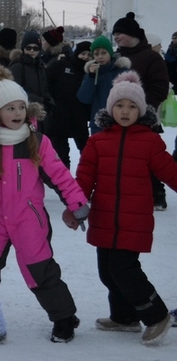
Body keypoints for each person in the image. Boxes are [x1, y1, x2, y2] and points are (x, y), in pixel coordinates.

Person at [0, 64, 88, 343]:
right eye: (9, 108)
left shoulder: (36, 141)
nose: (17, 114)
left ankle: (64, 317)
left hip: (29, 217)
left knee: (39, 269)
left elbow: (59, 175)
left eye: (20, 108)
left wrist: (77, 203)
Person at [68, 71, 177, 345]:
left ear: (140, 111)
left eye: (131, 106)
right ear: (110, 108)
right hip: (105, 218)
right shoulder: (97, 141)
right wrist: (75, 206)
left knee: (124, 269)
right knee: (107, 270)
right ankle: (124, 316)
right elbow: (84, 178)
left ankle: (157, 315)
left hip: (134, 220)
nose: (125, 111)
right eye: (119, 105)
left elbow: (170, 172)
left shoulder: (150, 142)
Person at [112, 12, 170, 210]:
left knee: (150, 157)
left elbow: (160, 88)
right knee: (120, 158)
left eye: (119, 33)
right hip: (117, 118)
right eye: (115, 34)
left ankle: (157, 194)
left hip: (144, 119)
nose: (116, 37)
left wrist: (140, 108)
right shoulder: (115, 58)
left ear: (132, 35)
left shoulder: (151, 58)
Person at [45, 41, 91, 168]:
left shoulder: (90, 73)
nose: (86, 57)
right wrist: (51, 102)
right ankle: (64, 184)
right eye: (83, 53)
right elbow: (45, 81)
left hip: (79, 119)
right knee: (61, 156)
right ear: (77, 53)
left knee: (87, 153)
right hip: (59, 118)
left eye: (89, 55)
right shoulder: (62, 65)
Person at [77, 35, 132, 134]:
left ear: (110, 53)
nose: (100, 57)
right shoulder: (91, 74)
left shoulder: (122, 71)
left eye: (103, 53)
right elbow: (84, 98)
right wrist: (91, 77)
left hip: (119, 122)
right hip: (98, 124)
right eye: (96, 54)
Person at [10, 30, 55, 132]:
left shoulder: (40, 66)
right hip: (23, 113)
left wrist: (49, 102)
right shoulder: (17, 66)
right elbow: (16, 90)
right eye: (28, 47)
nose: (32, 51)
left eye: (35, 48)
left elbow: (45, 87)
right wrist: (40, 100)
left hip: (41, 115)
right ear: (23, 48)